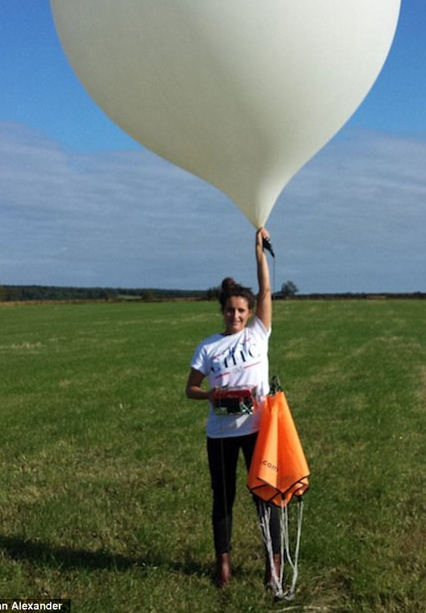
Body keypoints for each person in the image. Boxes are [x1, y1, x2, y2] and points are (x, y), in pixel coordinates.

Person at [185, 226, 280, 588]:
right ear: (222, 311)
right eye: (230, 310)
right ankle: (222, 566)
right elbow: (190, 389)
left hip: (258, 431)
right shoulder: (207, 348)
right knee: (222, 499)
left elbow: (267, 290)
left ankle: (273, 567)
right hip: (221, 433)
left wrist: (258, 251)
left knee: (265, 498)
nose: (235, 316)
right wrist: (211, 396)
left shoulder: (259, 333)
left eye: (241, 310)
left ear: (250, 312)